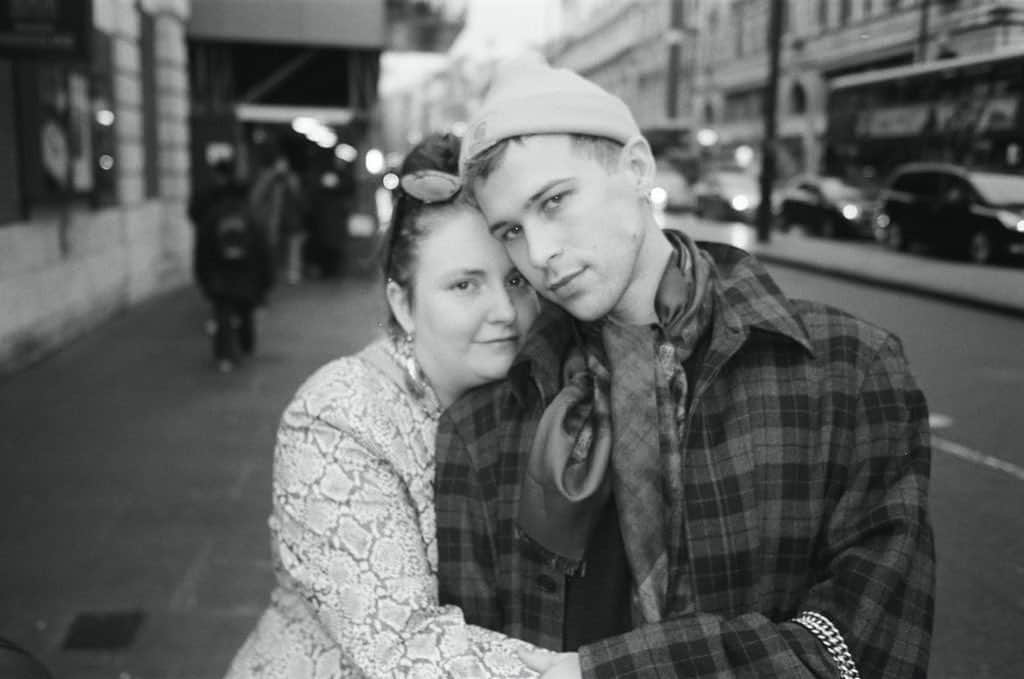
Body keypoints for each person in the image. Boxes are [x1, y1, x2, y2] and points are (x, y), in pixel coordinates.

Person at [434, 53, 935, 678]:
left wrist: (594, 674)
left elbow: (870, 650)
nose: (540, 253)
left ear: (636, 167)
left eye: (555, 200)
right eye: (509, 230)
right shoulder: (485, 425)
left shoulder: (847, 372)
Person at [223, 133, 546, 678]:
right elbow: (401, 647)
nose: (504, 311)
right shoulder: (337, 417)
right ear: (403, 302)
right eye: (465, 285)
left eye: (515, 279)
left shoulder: (538, 391)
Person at [193, 172, 275, 373]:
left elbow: (202, 252)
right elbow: (264, 251)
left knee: (222, 315)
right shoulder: (252, 217)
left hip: (219, 278)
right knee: (245, 312)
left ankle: (225, 356)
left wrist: (203, 280)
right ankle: (246, 345)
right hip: (247, 278)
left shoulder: (212, 217)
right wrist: (266, 282)